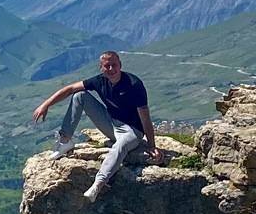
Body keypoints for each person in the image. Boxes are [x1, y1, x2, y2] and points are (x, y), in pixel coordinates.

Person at [31, 51, 162, 202]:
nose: (111, 69)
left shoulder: (134, 85)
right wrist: (46, 104)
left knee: (120, 146)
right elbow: (71, 89)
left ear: (120, 65)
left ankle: (98, 183)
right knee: (79, 95)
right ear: (101, 68)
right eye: (107, 66)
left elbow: (145, 118)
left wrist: (152, 145)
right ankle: (65, 141)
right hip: (111, 124)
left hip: (132, 130)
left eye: (114, 65)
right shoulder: (99, 81)